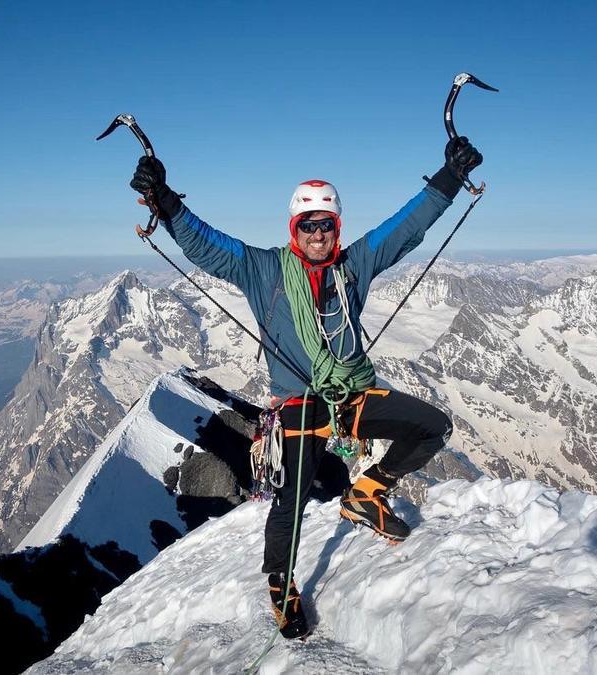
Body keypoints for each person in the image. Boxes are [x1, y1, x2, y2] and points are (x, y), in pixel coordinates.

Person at [129, 137, 483, 638]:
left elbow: (404, 228)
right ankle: (280, 582)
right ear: (294, 229)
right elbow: (205, 242)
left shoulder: (353, 266)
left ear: (337, 228)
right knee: (291, 499)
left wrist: (449, 178)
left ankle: (368, 493)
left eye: (326, 225)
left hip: (351, 394)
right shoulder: (263, 269)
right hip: (299, 405)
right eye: (308, 226)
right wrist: (164, 200)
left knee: (431, 427)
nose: (318, 234)